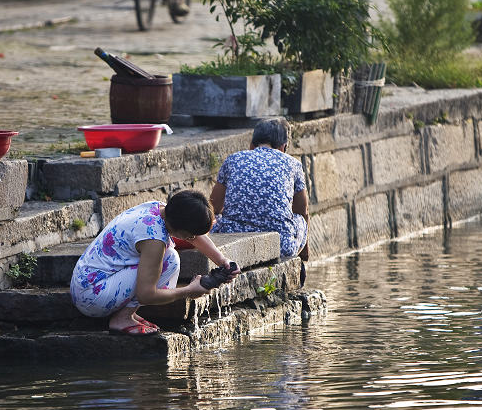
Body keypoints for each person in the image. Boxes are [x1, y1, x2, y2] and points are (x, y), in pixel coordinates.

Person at [70, 189, 239, 335]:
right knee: (169, 262)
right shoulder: (154, 240)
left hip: (86, 282)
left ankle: (127, 312)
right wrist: (188, 291)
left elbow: (195, 237)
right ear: (180, 230)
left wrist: (222, 260)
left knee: (170, 256)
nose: (192, 239)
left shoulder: (160, 209)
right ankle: (122, 319)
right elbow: (146, 294)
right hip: (92, 297)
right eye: (190, 236)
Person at [209, 118, 310, 262]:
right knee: (301, 220)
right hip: (281, 246)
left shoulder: (233, 159)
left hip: (232, 239)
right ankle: (301, 256)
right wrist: (304, 250)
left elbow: (214, 206)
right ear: (284, 147)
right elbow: (302, 211)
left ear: (251, 145)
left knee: (215, 218)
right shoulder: (293, 164)